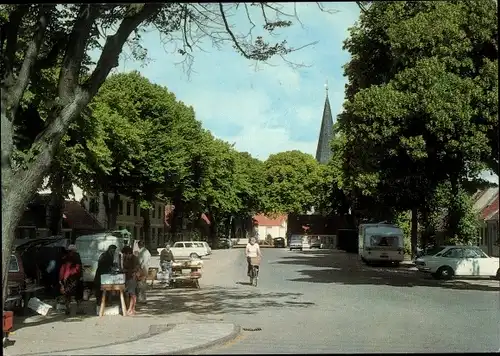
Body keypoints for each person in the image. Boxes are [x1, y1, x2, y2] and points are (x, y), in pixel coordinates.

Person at [59, 245, 84, 315]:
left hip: (66, 278)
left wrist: (61, 279)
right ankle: (79, 310)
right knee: (78, 294)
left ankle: (67, 309)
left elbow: (62, 269)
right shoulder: (76, 256)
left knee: (67, 294)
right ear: (74, 250)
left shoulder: (64, 257)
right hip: (75, 277)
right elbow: (78, 267)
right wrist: (80, 275)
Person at [122, 246, 141, 315]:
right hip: (127, 278)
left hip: (132, 278)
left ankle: (131, 309)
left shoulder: (134, 259)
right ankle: (129, 308)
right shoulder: (126, 258)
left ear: (128, 253)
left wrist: (126, 270)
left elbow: (136, 269)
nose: (124, 255)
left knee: (132, 294)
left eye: (124, 254)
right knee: (127, 293)